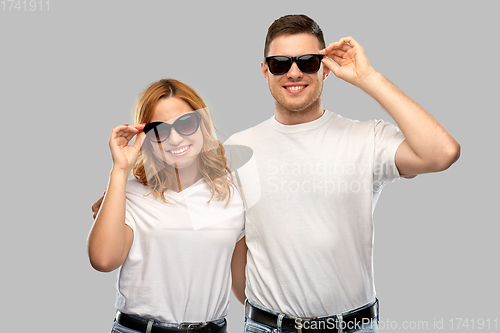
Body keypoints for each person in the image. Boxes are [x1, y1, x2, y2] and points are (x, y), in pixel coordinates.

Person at [222, 14, 460, 333]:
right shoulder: (238, 148)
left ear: (325, 68)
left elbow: (442, 153)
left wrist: (368, 77)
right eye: (280, 63)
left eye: (307, 61)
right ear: (265, 70)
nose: (294, 72)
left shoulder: (365, 138)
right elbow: (236, 243)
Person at [87, 79, 246, 333]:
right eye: (159, 130)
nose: (174, 138)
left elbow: (243, 288)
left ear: (201, 125)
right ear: (146, 138)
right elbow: (103, 260)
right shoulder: (129, 194)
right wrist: (120, 170)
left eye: (185, 123)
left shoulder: (233, 193)